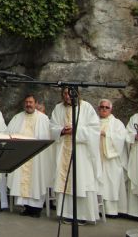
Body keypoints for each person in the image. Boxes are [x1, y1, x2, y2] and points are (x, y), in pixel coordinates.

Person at [50, 87, 101, 224]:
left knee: (80, 181)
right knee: (64, 180)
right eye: (65, 93)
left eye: (70, 93)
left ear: (77, 93)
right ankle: (65, 213)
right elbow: (52, 127)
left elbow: (95, 130)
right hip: (63, 151)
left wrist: (76, 130)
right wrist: (61, 130)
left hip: (81, 152)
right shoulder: (58, 108)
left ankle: (82, 215)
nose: (67, 96)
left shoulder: (87, 107)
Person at [7, 94, 53, 218]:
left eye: (31, 102)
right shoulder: (17, 117)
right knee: (22, 180)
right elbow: (9, 133)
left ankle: (36, 209)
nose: (28, 104)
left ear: (36, 103)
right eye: (26, 102)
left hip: (37, 156)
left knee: (36, 181)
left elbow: (49, 136)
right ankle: (26, 207)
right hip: (22, 155)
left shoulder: (43, 119)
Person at [96, 99, 127, 217]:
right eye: (101, 107)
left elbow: (121, 138)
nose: (104, 109)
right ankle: (97, 209)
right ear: (98, 109)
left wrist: (106, 135)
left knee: (110, 185)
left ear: (111, 109)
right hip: (97, 159)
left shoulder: (117, 123)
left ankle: (111, 211)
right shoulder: (93, 122)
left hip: (111, 160)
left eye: (106, 107)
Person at [126, 95, 138, 219]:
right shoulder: (135, 117)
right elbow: (127, 132)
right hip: (137, 152)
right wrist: (135, 137)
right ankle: (137, 213)